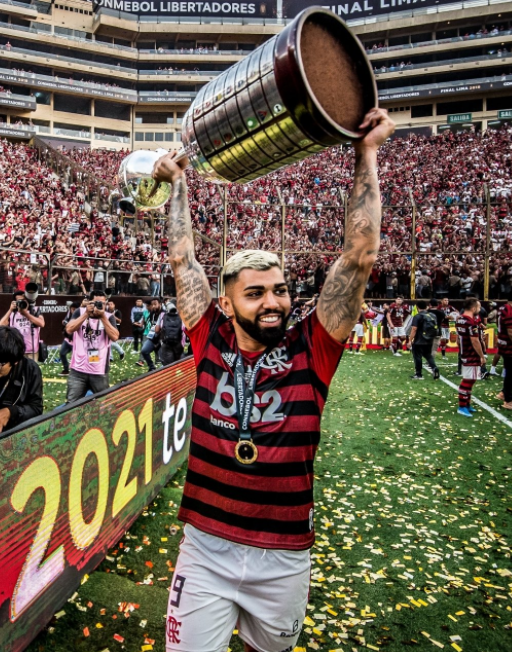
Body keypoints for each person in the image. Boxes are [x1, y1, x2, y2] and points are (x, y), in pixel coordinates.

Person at [153, 107, 394, 652]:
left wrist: (367, 153)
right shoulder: (208, 334)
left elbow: (358, 258)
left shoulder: (313, 348)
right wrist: (179, 186)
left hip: (284, 555)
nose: (273, 302)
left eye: (280, 290)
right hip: (206, 549)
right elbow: (182, 258)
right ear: (228, 300)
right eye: (256, 293)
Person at [64, 290, 119, 402]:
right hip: (78, 369)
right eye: (95, 303)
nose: (99, 306)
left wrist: (102, 316)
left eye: (102, 304)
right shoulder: (80, 312)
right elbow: (69, 329)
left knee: (104, 403)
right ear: (89, 302)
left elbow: (115, 337)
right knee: (71, 405)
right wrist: (86, 314)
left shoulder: (108, 317)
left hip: (99, 370)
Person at [456, 298, 486, 418]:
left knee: (471, 379)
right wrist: (481, 356)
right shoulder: (470, 322)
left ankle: (466, 404)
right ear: (473, 308)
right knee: (468, 380)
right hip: (471, 354)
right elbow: (475, 340)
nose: (479, 309)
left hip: (464, 353)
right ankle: (462, 406)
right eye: (478, 307)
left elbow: (458, 339)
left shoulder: (460, 320)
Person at [0, 289, 45, 361]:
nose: (22, 302)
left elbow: (42, 324)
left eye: (23, 300)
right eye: (19, 301)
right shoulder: (13, 314)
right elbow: (1, 325)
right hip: (17, 350)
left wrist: (25, 314)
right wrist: (10, 309)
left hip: (32, 351)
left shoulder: (34, 310)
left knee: (31, 371)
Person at [408, 300, 440, 380]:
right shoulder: (432, 315)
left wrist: (410, 340)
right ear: (426, 307)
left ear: (417, 307)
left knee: (417, 357)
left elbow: (414, 329)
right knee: (428, 355)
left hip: (419, 340)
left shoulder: (417, 316)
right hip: (429, 339)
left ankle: (419, 374)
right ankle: (434, 367)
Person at [156, 301, 185, 365]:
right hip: (179, 344)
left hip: (166, 343)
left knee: (168, 365)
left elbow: (157, 330)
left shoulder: (162, 315)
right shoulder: (182, 315)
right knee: (178, 364)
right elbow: (184, 329)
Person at [138, 298, 163, 370]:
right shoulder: (152, 313)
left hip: (162, 339)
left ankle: (163, 371)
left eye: (155, 304)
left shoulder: (164, 314)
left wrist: (158, 342)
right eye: (152, 304)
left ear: (160, 304)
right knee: (144, 350)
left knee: (163, 358)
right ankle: (152, 367)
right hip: (152, 337)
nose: (153, 306)